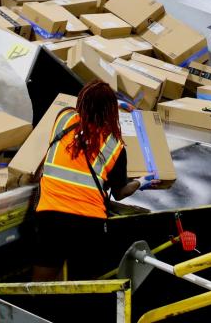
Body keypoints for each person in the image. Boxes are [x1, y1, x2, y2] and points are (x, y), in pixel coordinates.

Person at [32, 81, 155, 281]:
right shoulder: (114, 145)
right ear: (111, 111)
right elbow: (120, 192)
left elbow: (77, 102)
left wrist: (108, 102)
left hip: (50, 216)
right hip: (88, 223)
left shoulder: (64, 119)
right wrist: (141, 181)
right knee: (83, 284)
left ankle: (37, 310)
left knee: (41, 281)